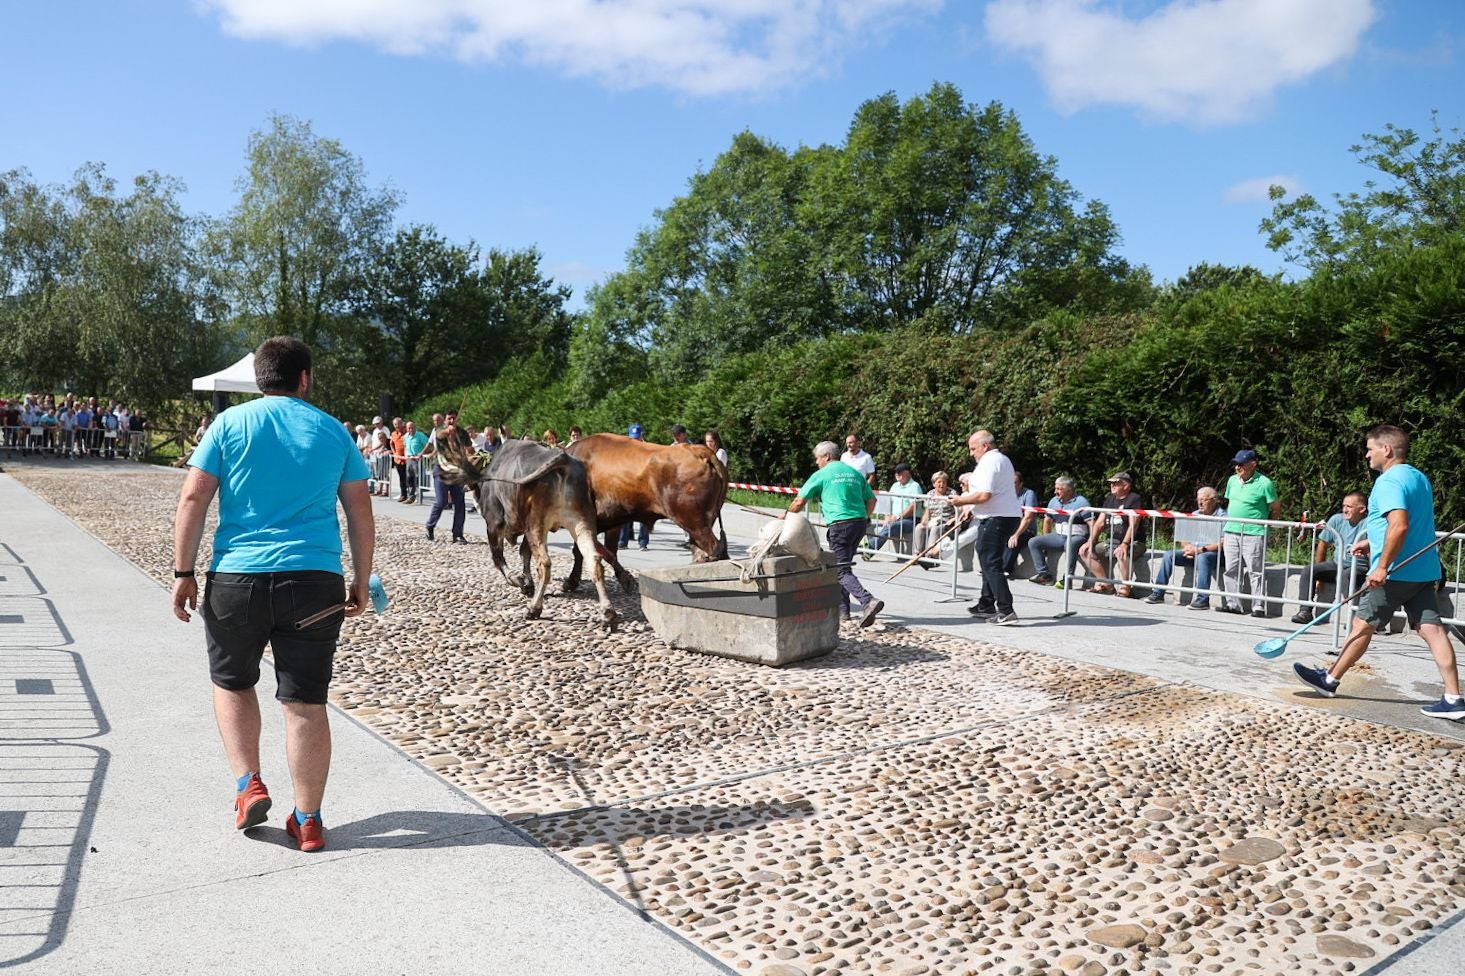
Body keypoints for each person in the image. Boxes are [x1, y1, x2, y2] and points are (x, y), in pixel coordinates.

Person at [170, 336, 375, 852]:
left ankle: (248, 784)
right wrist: (360, 579)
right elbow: (360, 513)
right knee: (305, 701)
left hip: (237, 579)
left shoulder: (228, 425)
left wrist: (183, 570)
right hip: (313, 582)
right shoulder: (333, 431)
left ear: (259, 378)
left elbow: (194, 495)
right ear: (304, 377)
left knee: (233, 682)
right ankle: (308, 820)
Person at [1294, 425, 1464, 721]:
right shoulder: (1418, 477)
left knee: (1362, 626)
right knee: (1434, 631)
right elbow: (1404, 526)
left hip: (1395, 572)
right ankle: (1453, 698)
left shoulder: (1388, 481)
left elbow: (1400, 525)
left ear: (1386, 450)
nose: (1366, 453)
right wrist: (1371, 542)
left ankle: (1329, 680)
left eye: (1370, 448)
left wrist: (1382, 565)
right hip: (1423, 571)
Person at [785, 440, 882, 627]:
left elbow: (798, 503)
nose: (816, 462)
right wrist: (862, 517)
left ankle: (867, 600)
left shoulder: (821, 474)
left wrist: (787, 517)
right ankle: (843, 610)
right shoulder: (854, 473)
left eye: (817, 458)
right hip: (859, 524)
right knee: (843, 566)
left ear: (827, 456)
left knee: (839, 571)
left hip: (840, 526)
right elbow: (872, 501)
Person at [950, 430, 1023, 625]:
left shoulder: (990, 461)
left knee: (990, 563)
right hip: (1002, 516)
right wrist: (971, 509)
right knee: (987, 559)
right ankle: (986, 603)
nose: (971, 453)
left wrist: (961, 501)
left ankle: (1006, 609)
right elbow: (991, 495)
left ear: (985, 446)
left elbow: (985, 495)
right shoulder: (1002, 459)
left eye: (973, 448)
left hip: (996, 519)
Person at [1219, 448, 1281, 617]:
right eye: (1236, 464)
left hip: (1254, 532)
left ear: (1253, 464)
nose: (1237, 468)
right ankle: (1233, 604)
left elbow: (1275, 507)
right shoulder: (1232, 481)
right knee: (1231, 568)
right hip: (1232, 530)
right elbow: (1231, 504)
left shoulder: (1265, 483)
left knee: (1255, 570)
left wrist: (1269, 526)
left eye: (1241, 464)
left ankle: (1258, 606)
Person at [1291, 492, 1369, 623]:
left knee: (1346, 576)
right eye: (1344, 506)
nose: (1345, 509)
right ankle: (1305, 612)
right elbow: (1322, 545)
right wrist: (1319, 577)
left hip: (1360, 566)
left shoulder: (1369, 523)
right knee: (1309, 570)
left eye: (1349, 506)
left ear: (1362, 509)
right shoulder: (1336, 519)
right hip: (1337, 564)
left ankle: (1357, 619)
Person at [1144, 487, 1225, 609]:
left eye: (1204, 499)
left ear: (1214, 500)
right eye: (1198, 499)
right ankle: (1158, 592)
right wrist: (1188, 547)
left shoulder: (1223, 516)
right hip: (1194, 551)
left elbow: (1223, 542)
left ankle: (1203, 599)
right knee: (1169, 555)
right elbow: (1184, 538)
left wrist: (1199, 550)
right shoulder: (1195, 515)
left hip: (1213, 554)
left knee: (1203, 558)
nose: (1200, 503)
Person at [1078, 472, 1147, 598]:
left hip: (1134, 542)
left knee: (1120, 552)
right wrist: (1090, 542)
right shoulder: (1110, 499)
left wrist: (1125, 544)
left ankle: (1126, 587)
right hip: (1111, 541)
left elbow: (1134, 524)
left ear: (1126, 485)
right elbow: (1099, 523)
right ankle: (1107, 584)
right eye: (1111, 483)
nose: (1112, 485)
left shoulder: (1134, 499)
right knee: (1085, 551)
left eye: (1116, 483)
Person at [1024, 477, 1090, 586]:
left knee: (1070, 544)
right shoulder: (1054, 501)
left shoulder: (1081, 502)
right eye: (1056, 489)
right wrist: (1046, 538)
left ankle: (1067, 579)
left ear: (1069, 490)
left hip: (1077, 536)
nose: (1055, 492)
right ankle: (1044, 575)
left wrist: (1090, 541)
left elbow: (1092, 524)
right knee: (1034, 542)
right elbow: (1047, 520)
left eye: (1059, 489)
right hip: (1059, 535)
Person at [422, 411, 469, 542]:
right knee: (441, 501)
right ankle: (430, 526)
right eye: (449, 419)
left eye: (454, 418)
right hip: (441, 471)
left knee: (460, 503)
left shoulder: (462, 433)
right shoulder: (439, 430)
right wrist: (449, 432)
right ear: (445, 420)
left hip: (457, 472)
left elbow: (469, 448)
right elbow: (440, 435)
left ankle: (458, 534)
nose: (452, 421)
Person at [867, 464, 923, 554]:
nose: (897, 474)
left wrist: (897, 517)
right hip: (896, 519)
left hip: (911, 519)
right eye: (896, 472)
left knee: (892, 525)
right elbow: (888, 503)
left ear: (908, 473)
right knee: (890, 524)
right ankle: (869, 550)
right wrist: (887, 516)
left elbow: (913, 507)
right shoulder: (895, 486)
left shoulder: (915, 486)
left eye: (900, 472)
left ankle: (870, 546)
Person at [912, 471, 957, 562]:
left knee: (935, 529)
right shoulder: (930, 494)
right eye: (939, 482)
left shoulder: (952, 493)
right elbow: (927, 510)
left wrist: (953, 519)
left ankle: (929, 554)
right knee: (919, 527)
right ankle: (917, 554)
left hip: (946, 522)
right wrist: (924, 521)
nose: (942, 484)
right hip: (933, 520)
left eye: (944, 482)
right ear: (934, 484)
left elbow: (958, 510)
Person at [620, 424, 651, 550]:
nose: (635, 440)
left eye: (637, 438)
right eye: (633, 438)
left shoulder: (647, 449)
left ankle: (643, 542)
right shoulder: (625, 451)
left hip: (643, 485)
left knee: (645, 515)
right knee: (625, 514)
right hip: (628, 484)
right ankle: (623, 540)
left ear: (641, 436)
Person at [1004, 471, 1039, 577]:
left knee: (1015, 540)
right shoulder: (1006, 495)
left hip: (1026, 530)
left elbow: (1028, 518)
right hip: (1010, 527)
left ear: (1020, 484)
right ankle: (992, 567)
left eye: (1014, 482)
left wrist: (1016, 534)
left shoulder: (1028, 494)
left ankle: (1006, 569)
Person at [402, 420, 428, 502]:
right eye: (409, 428)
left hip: (417, 459)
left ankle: (418, 496)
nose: (411, 429)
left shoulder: (420, 435)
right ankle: (411, 496)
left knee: (417, 478)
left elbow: (428, 445)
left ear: (415, 428)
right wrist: (405, 455)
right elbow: (405, 446)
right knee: (409, 478)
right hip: (409, 459)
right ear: (406, 429)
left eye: (412, 428)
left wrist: (421, 453)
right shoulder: (406, 436)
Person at [390, 417, 409, 501]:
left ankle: (412, 494)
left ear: (402, 424)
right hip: (398, 460)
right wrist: (394, 453)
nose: (397, 426)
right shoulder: (393, 434)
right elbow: (391, 443)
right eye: (395, 424)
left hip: (407, 459)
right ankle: (403, 494)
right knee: (402, 478)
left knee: (409, 477)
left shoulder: (407, 432)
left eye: (398, 424)